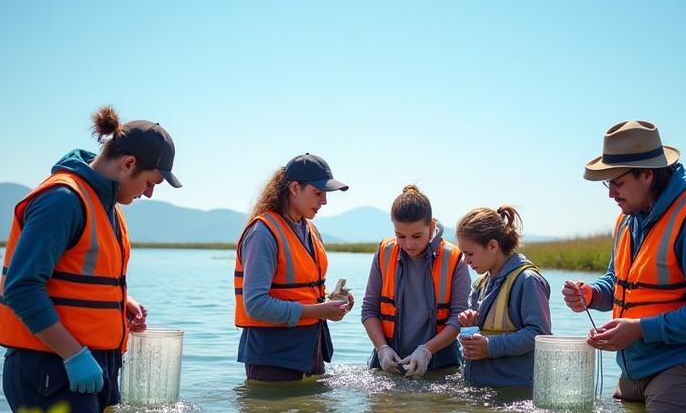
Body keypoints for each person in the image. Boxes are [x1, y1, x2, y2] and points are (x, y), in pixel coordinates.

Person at [0, 105, 182, 413]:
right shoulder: (62, 201)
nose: (149, 194)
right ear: (128, 164)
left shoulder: (108, 206)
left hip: (92, 366)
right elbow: (21, 288)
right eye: (151, 182)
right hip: (51, 370)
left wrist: (121, 302)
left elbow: (76, 277)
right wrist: (73, 355)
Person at [562, 120, 686, 413]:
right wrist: (592, 294)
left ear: (647, 175)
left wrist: (639, 329)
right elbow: (618, 281)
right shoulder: (628, 218)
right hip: (634, 371)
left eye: (617, 182)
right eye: (608, 184)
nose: (611, 194)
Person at [234, 153, 353, 382]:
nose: (324, 201)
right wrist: (320, 311)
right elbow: (256, 305)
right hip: (272, 359)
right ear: (295, 188)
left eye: (326, 194)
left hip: (310, 354)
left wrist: (333, 301)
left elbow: (302, 293)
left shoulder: (311, 230)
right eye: (318, 193)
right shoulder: (262, 233)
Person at [361, 185, 471, 379]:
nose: (409, 244)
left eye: (417, 236)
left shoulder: (454, 258)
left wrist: (427, 350)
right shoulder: (384, 252)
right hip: (389, 364)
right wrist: (382, 348)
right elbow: (369, 309)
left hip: (440, 366)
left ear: (432, 225)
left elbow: (458, 317)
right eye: (400, 236)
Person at [455, 206, 551, 387]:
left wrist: (490, 347)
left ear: (493, 246)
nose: (465, 261)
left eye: (470, 253)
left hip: (514, 391)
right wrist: (469, 325)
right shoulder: (480, 284)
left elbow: (539, 334)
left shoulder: (527, 281)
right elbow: (479, 337)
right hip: (482, 389)